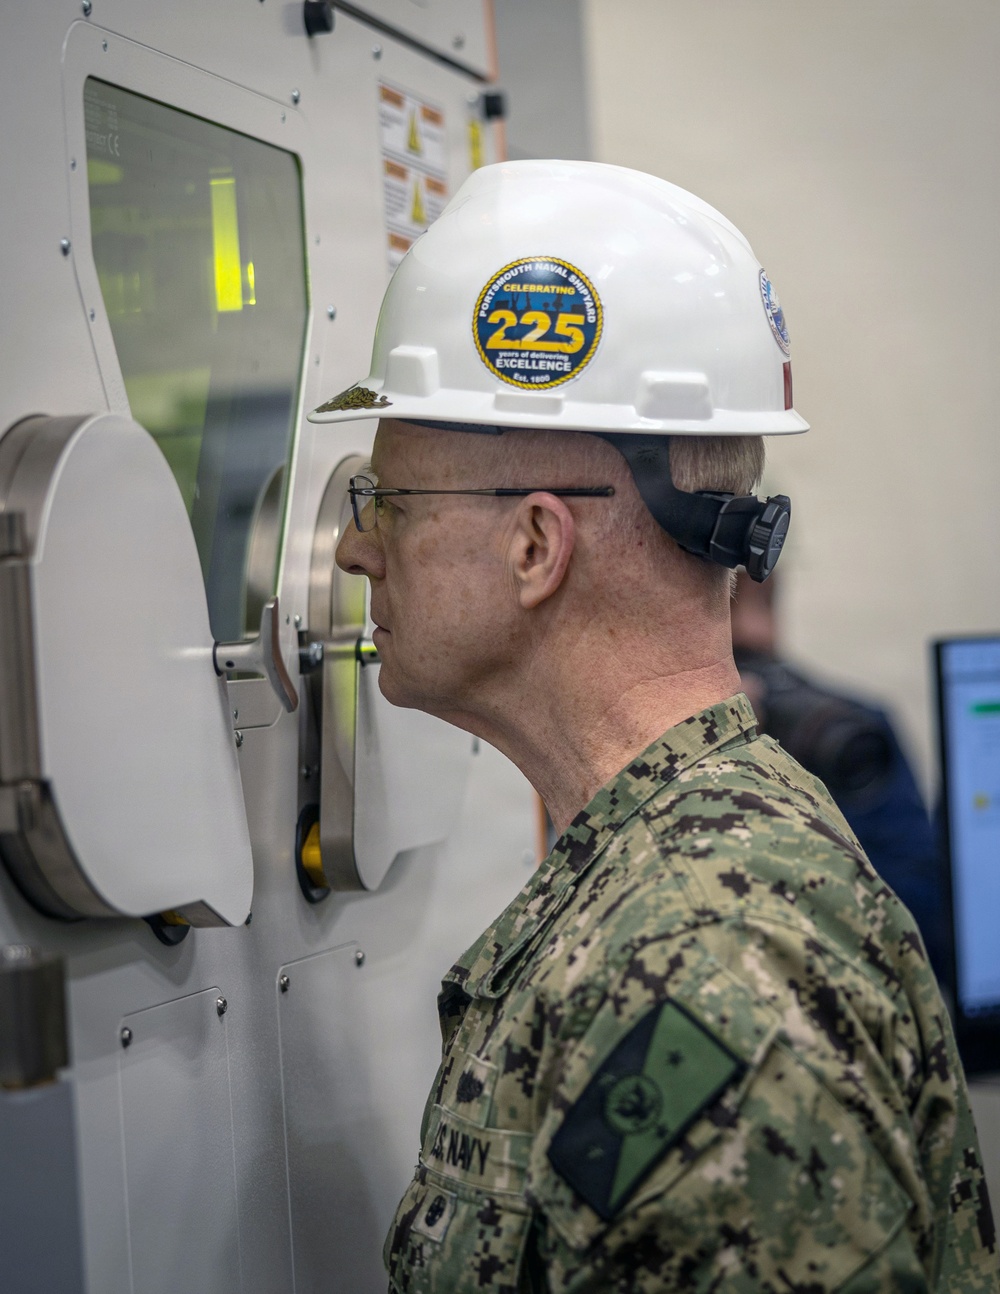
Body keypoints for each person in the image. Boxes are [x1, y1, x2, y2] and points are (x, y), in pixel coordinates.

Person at [310, 160, 998, 1292]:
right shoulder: (658, 874)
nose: (352, 547)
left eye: (384, 500)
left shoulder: (704, 955)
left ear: (535, 545)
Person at [730, 570, 952, 982]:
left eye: (765, 603)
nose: (752, 631)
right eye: (725, 607)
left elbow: (926, 925)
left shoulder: (852, 732)